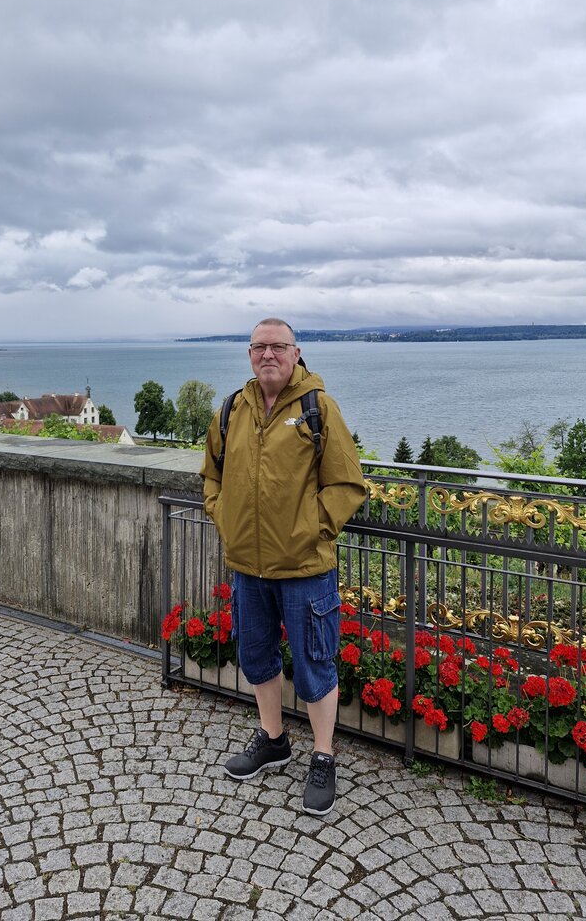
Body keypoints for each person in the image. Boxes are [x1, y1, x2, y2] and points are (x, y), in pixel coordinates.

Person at [200, 318, 367, 816]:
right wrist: (224, 516)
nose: (268, 354)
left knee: (315, 663)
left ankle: (323, 756)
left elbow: (347, 484)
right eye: (260, 347)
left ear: (296, 353)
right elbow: (212, 474)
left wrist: (310, 529)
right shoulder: (233, 409)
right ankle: (273, 740)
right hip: (248, 565)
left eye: (278, 346)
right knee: (256, 656)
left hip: (304, 568)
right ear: (250, 355)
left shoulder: (319, 408)